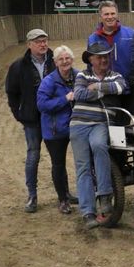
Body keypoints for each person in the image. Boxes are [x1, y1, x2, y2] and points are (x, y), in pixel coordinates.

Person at [70, 41, 128, 229]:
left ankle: (104, 195)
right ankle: (88, 212)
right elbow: (79, 94)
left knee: (99, 146)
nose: (104, 59)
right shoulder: (82, 75)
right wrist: (103, 89)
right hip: (78, 124)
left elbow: (121, 87)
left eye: (106, 56)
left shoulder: (116, 75)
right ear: (91, 60)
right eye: (99, 57)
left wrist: (97, 87)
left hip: (100, 123)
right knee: (83, 168)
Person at [5, 28, 56, 213]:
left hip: (52, 118)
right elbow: (12, 93)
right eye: (38, 41)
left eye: (44, 40)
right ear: (29, 45)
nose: (42, 44)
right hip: (32, 120)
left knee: (57, 157)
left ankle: (63, 194)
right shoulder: (18, 66)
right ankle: (32, 195)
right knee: (33, 155)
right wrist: (19, 114)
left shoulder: (55, 61)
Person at [36, 45, 79, 214]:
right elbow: (41, 105)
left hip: (75, 126)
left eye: (67, 58)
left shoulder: (78, 76)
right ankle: (63, 199)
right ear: (55, 62)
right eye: (61, 59)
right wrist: (64, 99)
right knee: (58, 164)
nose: (65, 61)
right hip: (55, 130)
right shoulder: (49, 81)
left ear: (72, 59)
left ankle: (69, 193)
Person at [87, 0, 134, 79]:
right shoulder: (92, 39)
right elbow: (90, 65)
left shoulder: (131, 34)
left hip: (128, 85)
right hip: (104, 86)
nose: (110, 17)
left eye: (112, 13)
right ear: (100, 16)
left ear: (117, 15)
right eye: (106, 14)